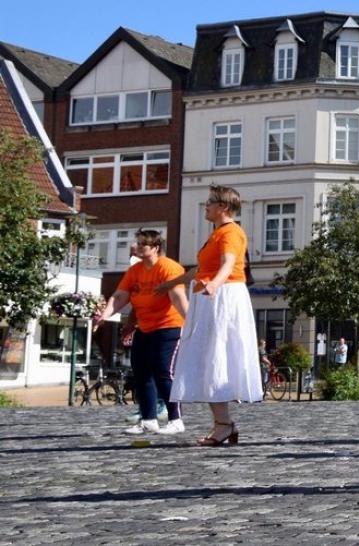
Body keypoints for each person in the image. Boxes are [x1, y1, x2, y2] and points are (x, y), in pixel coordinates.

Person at [162, 185, 263, 446]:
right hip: (210, 298)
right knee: (209, 358)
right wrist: (167, 285)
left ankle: (223, 425)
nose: (206, 205)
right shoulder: (217, 234)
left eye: (210, 202)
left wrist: (216, 284)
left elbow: (228, 263)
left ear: (224, 208)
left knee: (215, 357)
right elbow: (199, 270)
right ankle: (224, 423)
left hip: (222, 298)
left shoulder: (231, 232)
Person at [93, 229, 189, 436]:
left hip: (169, 326)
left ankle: (176, 419)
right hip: (145, 328)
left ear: (155, 248)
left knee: (163, 371)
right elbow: (120, 296)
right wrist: (104, 316)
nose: (136, 247)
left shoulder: (169, 268)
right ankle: (148, 420)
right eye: (136, 243)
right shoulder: (135, 271)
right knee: (142, 373)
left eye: (141, 244)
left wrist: (191, 322)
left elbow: (177, 296)